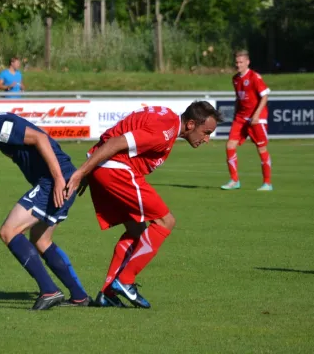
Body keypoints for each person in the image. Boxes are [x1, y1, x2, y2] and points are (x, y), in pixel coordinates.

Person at [0, 83, 89, 310]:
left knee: (9, 231)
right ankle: (80, 296)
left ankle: (50, 291)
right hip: (59, 177)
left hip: (53, 181)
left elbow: (40, 139)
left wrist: (60, 178)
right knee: (41, 240)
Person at [65, 101, 222, 308]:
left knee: (136, 230)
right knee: (166, 221)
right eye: (206, 132)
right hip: (115, 169)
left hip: (105, 168)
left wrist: (90, 171)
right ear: (191, 124)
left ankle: (107, 293)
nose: (207, 139)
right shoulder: (163, 132)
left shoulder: (167, 118)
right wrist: (82, 172)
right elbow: (115, 143)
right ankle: (125, 281)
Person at [221, 50, 273, 191]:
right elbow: (238, 98)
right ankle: (234, 180)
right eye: (236, 62)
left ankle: (267, 183)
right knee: (230, 145)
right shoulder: (235, 79)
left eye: (241, 62)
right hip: (240, 118)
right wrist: (235, 114)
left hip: (256, 118)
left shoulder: (254, 77)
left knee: (261, 148)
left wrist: (256, 115)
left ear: (247, 62)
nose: (238, 65)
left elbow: (265, 96)